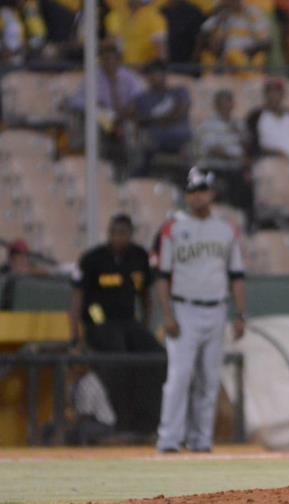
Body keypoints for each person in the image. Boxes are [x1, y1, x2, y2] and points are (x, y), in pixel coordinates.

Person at [156, 167, 246, 453]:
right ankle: (169, 439)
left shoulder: (226, 229)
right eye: (193, 191)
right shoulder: (173, 227)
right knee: (180, 377)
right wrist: (167, 314)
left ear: (212, 193)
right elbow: (161, 276)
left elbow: (237, 275)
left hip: (217, 308)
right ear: (187, 195)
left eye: (203, 190)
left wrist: (240, 314)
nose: (198, 196)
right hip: (184, 308)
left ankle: (201, 440)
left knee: (209, 377)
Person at [69, 214, 163, 435]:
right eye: (114, 233)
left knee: (156, 354)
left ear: (130, 235)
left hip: (128, 322)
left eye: (123, 233)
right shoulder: (92, 259)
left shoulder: (139, 257)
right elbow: (77, 299)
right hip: (99, 321)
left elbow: (146, 298)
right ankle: (122, 423)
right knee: (118, 355)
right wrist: (76, 336)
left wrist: (145, 327)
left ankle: (150, 423)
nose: (118, 238)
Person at [133, 60, 192, 174]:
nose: (154, 77)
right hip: (155, 141)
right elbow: (138, 119)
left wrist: (153, 120)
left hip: (180, 138)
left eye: (157, 73)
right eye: (150, 74)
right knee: (143, 146)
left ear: (165, 74)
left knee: (190, 152)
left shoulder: (179, 91)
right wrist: (165, 119)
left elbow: (179, 113)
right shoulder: (143, 98)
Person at [246, 79, 289, 163]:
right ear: (265, 95)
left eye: (277, 92)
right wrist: (275, 154)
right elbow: (251, 145)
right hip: (270, 162)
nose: (273, 96)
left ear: (282, 94)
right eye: (270, 92)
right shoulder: (255, 116)